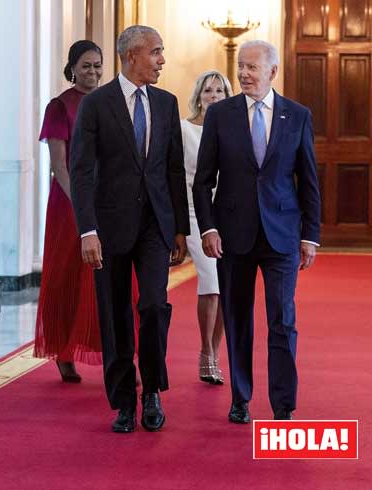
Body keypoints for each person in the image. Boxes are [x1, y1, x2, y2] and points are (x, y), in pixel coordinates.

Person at [193, 40, 320, 424]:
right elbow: (203, 181)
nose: (244, 74)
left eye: (252, 68)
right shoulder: (221, 115)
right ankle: (240, 398)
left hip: (282, 234)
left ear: (273, 72)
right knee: (237, 318)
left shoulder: (297, 115)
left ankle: (283, 405)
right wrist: (208, 228)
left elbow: (308, 180)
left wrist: (309, 235)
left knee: (282, 320)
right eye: (241, 68)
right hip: (234, 235)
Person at [70, 25, 189, 433]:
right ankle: (123, 401)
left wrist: (180, 229)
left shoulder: (167, 103)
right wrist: (87, 229)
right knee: (115, 313)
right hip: (109, 227)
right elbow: (81, 171)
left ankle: (152, 390)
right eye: (155, 52)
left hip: (156, 224)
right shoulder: (97, 105)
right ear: (131, 55)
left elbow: (174, 168)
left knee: (155, 306)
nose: (161, 60)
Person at [34, 40, 105, 381]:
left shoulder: (110, 102)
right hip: (69, 204)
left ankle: (115, 350)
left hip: (108, 202)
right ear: (73, 68)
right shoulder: (59, 106)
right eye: (87, 65)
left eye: (97, 65)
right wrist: (81, 204)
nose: (92, 72)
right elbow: (59, 164)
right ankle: (63, 351)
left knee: (107, 277)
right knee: (68, 274)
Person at [181, 70, 232, 385]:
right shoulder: (184, 129)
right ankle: (205, 352)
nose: (214, 96)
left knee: (226, 287)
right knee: (211, 283)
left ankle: (215, 352)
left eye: (220, 91)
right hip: (192, 213)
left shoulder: (233, 130)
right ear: (198, 96)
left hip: (226, 214)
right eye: (208, 91)